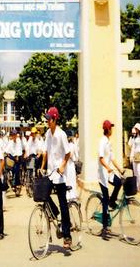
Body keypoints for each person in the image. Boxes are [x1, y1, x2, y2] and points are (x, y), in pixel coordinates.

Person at [41, 107, 73, 249]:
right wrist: (42, 166)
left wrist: (62, 166)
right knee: (44, 196)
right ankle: (56, 215)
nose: (47, 121)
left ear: (55, 119)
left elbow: (68, 153)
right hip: (50, 173)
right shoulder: (48, 133)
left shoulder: (61, 135)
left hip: (60, 175)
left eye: (49, 119)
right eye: (47, 119)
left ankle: (67, 236)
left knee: (63, 203)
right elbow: (46, 152)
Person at [97, 120, 124, 241]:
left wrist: (120, 169)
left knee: (119, 183)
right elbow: (101, 158)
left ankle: (112, 201)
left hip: (109, 172)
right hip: (103, 173)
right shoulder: (102, 141)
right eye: (111, 128)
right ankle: (104, 226)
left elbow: (112, 158)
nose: (112, 129)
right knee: (105, 199)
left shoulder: (109, 141)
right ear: (107, 129)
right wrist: (107, 168)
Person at [66, 130, 79, 201]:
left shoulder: (70, 145)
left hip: (69, 164)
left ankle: (70, 196)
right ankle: (71, 195)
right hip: (70, 164)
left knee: (69, 179)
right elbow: (76, 156)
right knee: (71, 180)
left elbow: (70, 155)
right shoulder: (73, 145)